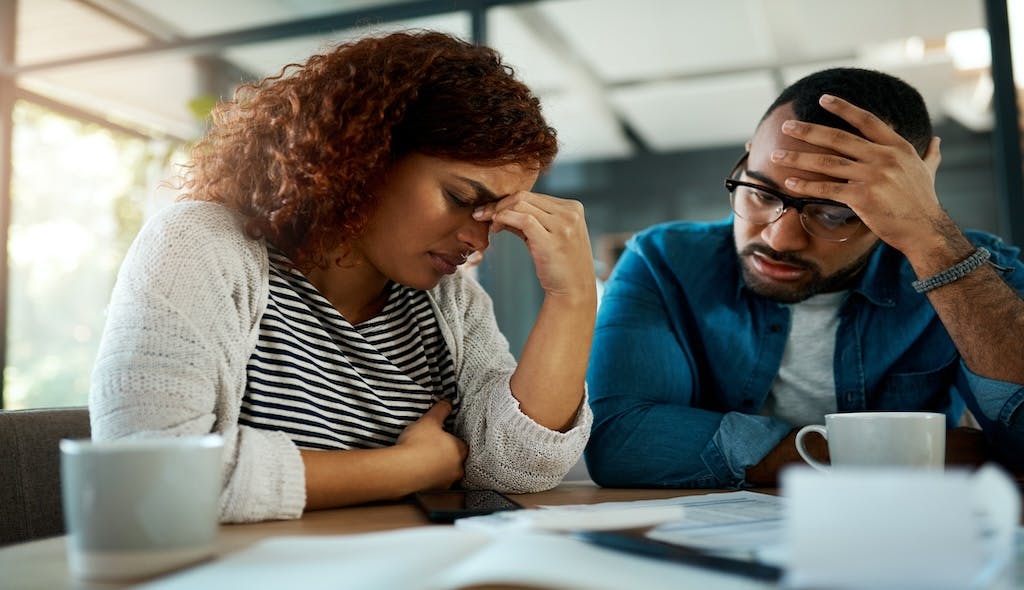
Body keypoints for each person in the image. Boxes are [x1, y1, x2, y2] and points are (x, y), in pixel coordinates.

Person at [90, 30, 596, 522]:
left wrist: (571, 298)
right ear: (366, 157)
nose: (478, 240)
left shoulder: (451, 303)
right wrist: (407, 469)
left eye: (494, 217)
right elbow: (148, 475)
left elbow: (515, 467)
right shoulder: (200, 245)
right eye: (461, 199)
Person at [585, 67, 1024, 488]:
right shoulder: (663, 261)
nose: (779, 238)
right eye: (759, 192)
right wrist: (931, 452)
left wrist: (933, 240)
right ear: (746, 159)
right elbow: (621, 442)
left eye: (833, 214)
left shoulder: (975, 269)